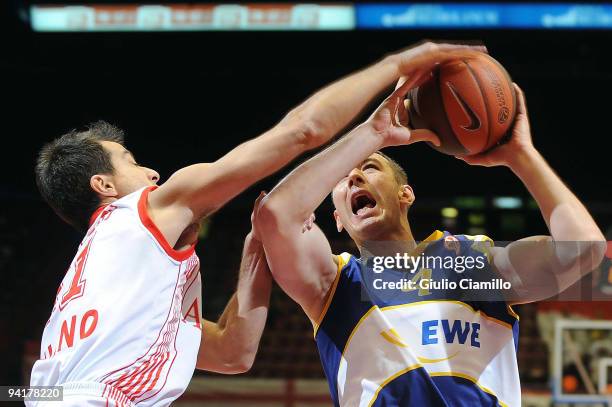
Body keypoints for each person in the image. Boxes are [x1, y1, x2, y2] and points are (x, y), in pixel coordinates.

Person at [29, 41, 477, 406]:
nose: (152, 174)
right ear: (103, 185)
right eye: (133, 163)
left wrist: (255, 256)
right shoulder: (143, 212)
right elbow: (303, 131)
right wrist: (396, 68)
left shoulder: (105, 281)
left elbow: (231, 354)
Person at [255, 71, 606, 406]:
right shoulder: (336, 285)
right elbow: (275, 215)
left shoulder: (467, 263)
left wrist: (521, 156)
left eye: (370, 167)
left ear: (405, 194)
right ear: (338, 220)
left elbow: (583, 251)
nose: (355, 178)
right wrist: (373, 133)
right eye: (343, 179)